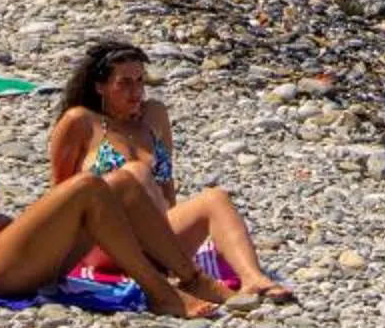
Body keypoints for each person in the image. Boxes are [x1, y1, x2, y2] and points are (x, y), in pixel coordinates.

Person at [0, 61, 224, 320]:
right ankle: (162, 293)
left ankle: (193, 279)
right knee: (86, 185)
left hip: (7, 258)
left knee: (126, 183)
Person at [49, 40, 290, 302]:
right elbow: (60, 196)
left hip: (158, 238)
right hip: (105, 241)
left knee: (215, 198)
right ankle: (185, 274)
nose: (136, 91)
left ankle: (253, 279)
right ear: (100, 87)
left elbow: (167, 185)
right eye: (124, 83)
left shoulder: (154, 116)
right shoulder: (81, 122)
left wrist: (174, 235)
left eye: (140, 81)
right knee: (136, 172)